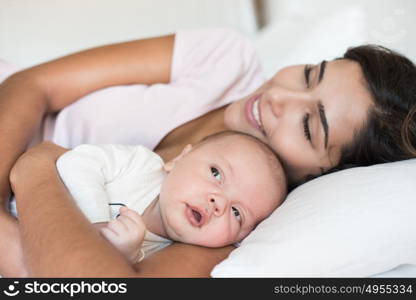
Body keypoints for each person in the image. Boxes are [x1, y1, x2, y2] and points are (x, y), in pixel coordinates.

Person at [1, 28, 416, 277]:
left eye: (309, 126)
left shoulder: (220, 228)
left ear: (319, 176)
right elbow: (33, 84)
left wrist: (37, 172)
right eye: (309, 74)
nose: (280, 98)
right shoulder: (223, 58)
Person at [6, 131, 286, 274]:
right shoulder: (140, 165)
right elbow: (76, 162)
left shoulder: (164, 255)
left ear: (240, 239)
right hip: (20, 207)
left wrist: (122, 253)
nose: (218, 203)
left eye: (237, 213)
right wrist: (95, 222)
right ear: (179, 159)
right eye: (216, 173)